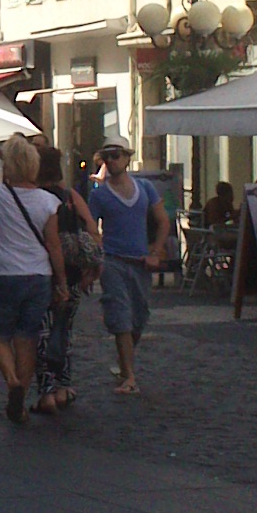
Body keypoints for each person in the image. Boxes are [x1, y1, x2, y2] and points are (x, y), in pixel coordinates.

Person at [0, 136, 71, 425]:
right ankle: (20, 398)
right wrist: (62, 282)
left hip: (5, 273)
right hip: (39, 275)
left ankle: (12, 380)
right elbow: (53, 245)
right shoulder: (48, 201)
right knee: (27, 337)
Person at [87, 133, 170, 394]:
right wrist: (96, 257)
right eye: (107, 156)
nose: (111, 161)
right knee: (121, 316)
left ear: (127, 158)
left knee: (138, 318)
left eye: (116, 155)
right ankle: (130, 377)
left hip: (141, 263)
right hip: (113, 262)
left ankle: (125, 366)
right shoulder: (99, 195)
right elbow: (91, 228)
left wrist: (155, 251)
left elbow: (163, 221)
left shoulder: (145, 188)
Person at [31, 144, 99, 415]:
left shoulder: (33, 198)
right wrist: (91, 265)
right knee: (64, 329)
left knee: (42, 333)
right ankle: (63, 386)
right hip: (72, 274)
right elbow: (92, 229)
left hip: (41, 272)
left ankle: (46, 391)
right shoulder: (70, 196)